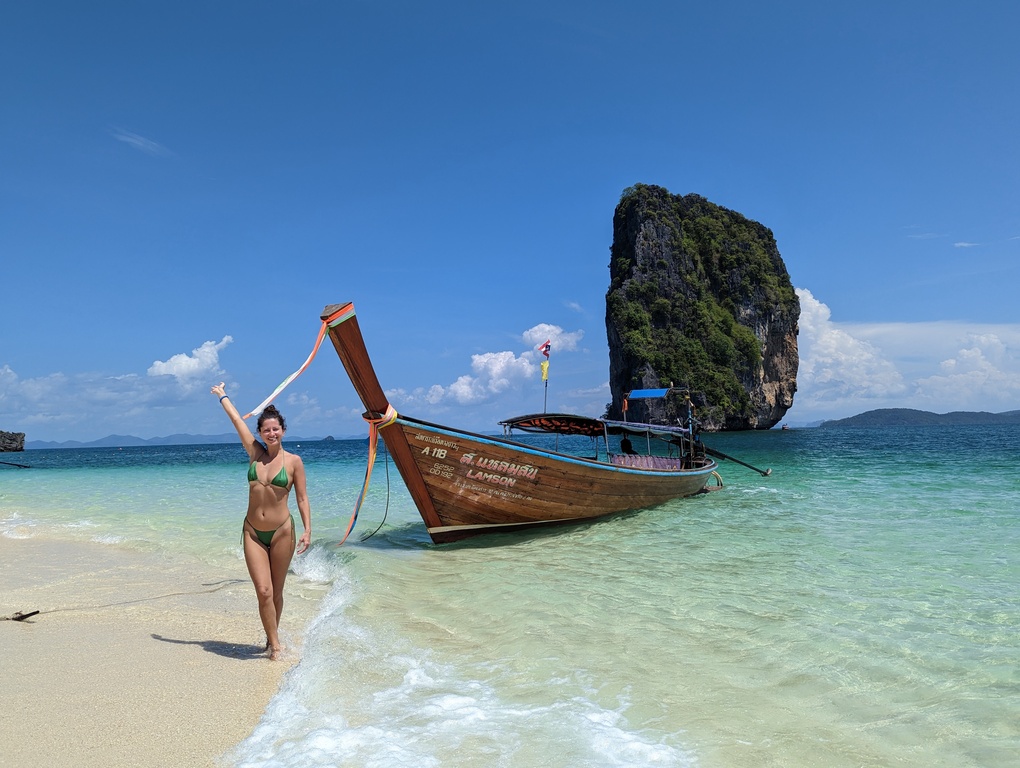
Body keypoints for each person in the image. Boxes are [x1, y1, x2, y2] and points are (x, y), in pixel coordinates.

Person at [211, 382, 311, 660]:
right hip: (253, 532)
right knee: (264, 591)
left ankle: (271, 640)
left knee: (277, 592)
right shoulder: (254, 454)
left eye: (275, 428)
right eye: (265, 429)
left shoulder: (294, 462)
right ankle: (276, 647)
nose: (270, 433)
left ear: (283, 431)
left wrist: (307, 530)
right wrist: (223, 396)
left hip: (282, 532)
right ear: (260, 433)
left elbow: (302, 498)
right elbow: (235, 420)